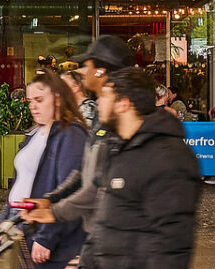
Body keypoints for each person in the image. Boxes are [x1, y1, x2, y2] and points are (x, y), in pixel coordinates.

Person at [78, 69, 200, 269]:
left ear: (124, 103)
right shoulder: (118, 147)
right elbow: (105, 222)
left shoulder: (168, 157)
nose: (98, 102)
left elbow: (170, 244)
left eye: (105, 96)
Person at [47, 36, 134, 247]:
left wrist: (53, 212)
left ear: (100, 71)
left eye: (87, 65)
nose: (83, 71)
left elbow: (97, 184)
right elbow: (85, 171)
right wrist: (51, 198)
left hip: (115, 239)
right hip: (98, 236)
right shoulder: (101, 114)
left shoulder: (119, 119)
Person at [8, 70, 88, 268]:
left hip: (48, 235)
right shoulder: (40, 133)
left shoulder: (70, 134)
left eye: (39, 99)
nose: (33, 106)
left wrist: (46, 236)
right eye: (29, 101)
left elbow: (66, 189)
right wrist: (7, 219)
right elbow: (23, 180)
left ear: (58, 99)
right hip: (27, 225)